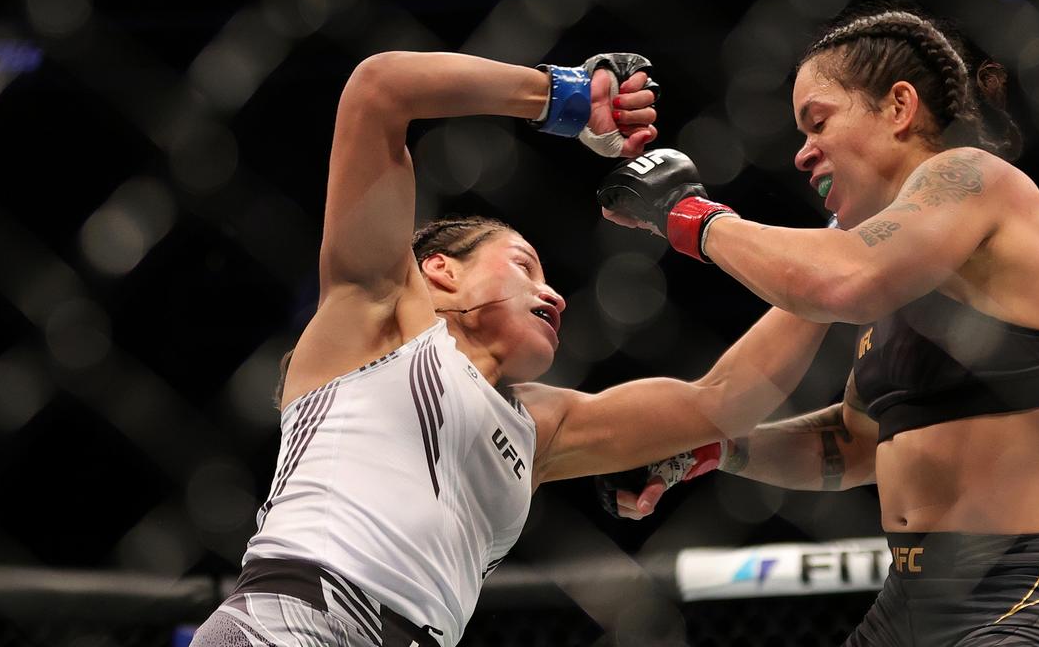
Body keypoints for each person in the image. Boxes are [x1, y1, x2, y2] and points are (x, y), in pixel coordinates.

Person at [189, 50, 834, 647]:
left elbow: (723, 400)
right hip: (295, 620)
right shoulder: (371, 315)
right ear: (440, 271)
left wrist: (843, 247)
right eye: (524, 266)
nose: (553, 295)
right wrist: (568, 97)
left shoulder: (538, 426)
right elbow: (380, 90)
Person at [597, 4, 1039, 646]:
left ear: (899, 108)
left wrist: (688, 215)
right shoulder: (887, 268)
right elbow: (851, 446)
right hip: (908, 605)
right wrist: (708, 451)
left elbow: (840, 280)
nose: (802, 154)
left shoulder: (971, 178)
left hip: (1031, 592)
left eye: (818, 122)